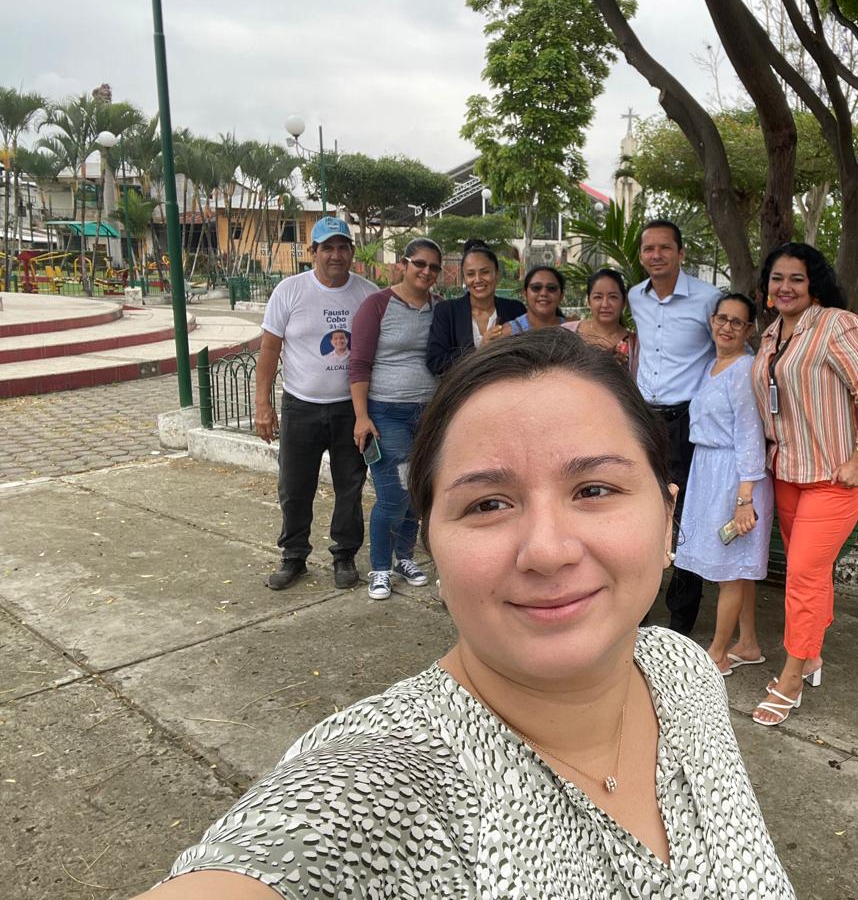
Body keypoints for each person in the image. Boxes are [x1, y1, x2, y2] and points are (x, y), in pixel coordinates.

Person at [141, 330, 796, 899]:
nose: (547, 550)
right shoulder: (387, 785)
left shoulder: (685, 671)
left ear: (667, 518)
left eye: (594, 489)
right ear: (432, 544)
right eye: (487, 504)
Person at [749, 242, 858, 727]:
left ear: (814, 283)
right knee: (809, 572)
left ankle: (790, 678)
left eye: (796, 278)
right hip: (788, 471)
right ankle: (811, 656)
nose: (785, 287)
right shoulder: (771, 334)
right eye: (777, 278)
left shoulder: (837, 325)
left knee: (803, 575)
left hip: (835, 475)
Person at [254, 216, 380, 592]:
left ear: (352, 252)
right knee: (294, 486)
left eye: (342, 247)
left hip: (350, 409)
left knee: (350, 486)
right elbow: (269, 349)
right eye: (327, 248)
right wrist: (263, 404)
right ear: (313, 252)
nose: (335, 255)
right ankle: (293, 555)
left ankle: (344, 555)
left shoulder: (368, 294)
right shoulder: (290, 291)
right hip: (301, 407)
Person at [628, 219, 722, 635]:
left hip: (687, 421)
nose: (656, 255)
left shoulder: (707, 298)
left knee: (685, 514)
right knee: (639, 506)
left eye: (664, 247)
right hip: (644, 418)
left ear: (681, 253)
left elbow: (727, 351)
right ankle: (638, 610)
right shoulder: (636, 297)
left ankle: (681, 622)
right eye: (649, 248)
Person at [674, 293, 772, 675]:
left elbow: (750, 434)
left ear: (748, 329)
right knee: (737, 566)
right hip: (708, 469)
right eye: (722, 318)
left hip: (734, 474)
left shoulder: (743, 369)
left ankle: (717, 653)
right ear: (712, 320)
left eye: (737, 322)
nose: (727, 327)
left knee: (729, 568)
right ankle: (748, 643)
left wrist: (744, 498)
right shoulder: (711, 365)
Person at [349, 237, 445, 601]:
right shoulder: (377, 305)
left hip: (429, 414)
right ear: (403, 264)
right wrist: (361, 416)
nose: (426, 271)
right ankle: (380, 567)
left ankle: (404, 557)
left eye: (434, 267)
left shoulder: (440, 308)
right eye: (419, 263)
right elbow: (359, 363)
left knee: (417, 493)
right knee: (393, 494)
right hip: (387, 413)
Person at [425, 240, 525, 374]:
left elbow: (527, 355)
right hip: (463, 386)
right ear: (464, 278)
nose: (477, 279)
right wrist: (479, 349)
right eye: (470, 274)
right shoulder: (447, 311)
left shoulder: (515, 309)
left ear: (497, 274)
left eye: (485, 272)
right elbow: (436, 362)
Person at [562, 266, 637, 375]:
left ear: (624, 302)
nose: (605, 304)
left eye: (613, 297)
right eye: (598, 297)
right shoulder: (567, 332)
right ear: (588, 301)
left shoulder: (635, 345)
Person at [502, 265, 568, 334]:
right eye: (536, 287)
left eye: (552, 288)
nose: (544, 293)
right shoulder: (508, 332)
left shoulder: (572, 329)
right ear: (525, 294)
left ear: (561, 296)